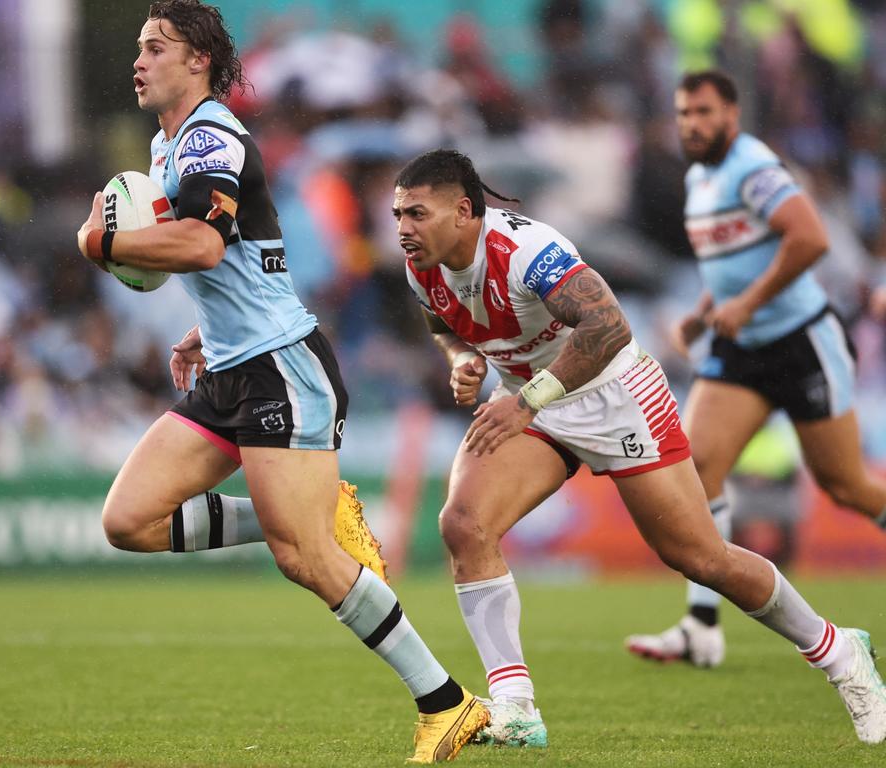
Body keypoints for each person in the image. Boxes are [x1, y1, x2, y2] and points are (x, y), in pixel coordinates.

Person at [75, 3, 486, 762]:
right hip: (232, 364)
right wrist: (212, 325)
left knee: (307, 559)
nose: (139, 61)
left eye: (154, 47)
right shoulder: (171, 145)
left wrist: (103, 241)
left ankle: (448, 703)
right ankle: (310, 510)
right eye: (138, 48)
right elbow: (250, 252)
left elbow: (200, 244)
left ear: (197, 59)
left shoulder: (209, 135)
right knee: (128, 520)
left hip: (279, 368)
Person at [392, 148, 886, 748]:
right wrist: (465, 360)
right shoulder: (424, 262)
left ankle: (840, 654)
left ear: (464, 211)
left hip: (612, 394)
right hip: (530, 399)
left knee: (701, 558)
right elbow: (443, 326)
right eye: (398, 215)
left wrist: (527, 400)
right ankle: (516, 708)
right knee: (464, 526)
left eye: (416, 214)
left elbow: (609, 327)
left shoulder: (525, 252)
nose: (402, 228)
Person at [625, 70, 886, 668]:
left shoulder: (754, 165)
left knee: (846, 485)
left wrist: (747, 304)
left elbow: (809, 238)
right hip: (741, 348)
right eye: (684, 113)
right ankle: (701, 627)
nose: (692, 123)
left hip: (799, 340)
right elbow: (735, 267)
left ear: (732, 116)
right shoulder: (699, 178)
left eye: (704, 112)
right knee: (696, 470)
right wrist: (702, 315)